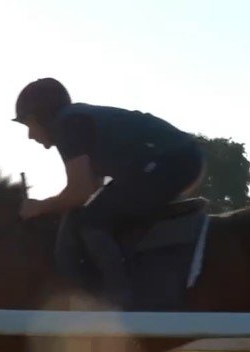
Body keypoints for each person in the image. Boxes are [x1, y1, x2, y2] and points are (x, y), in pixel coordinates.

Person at [12, 78, 205, 308]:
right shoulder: (73, 122)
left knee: (91, 220)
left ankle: (117, 299)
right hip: (175, 158)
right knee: (86, 215)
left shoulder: (68, 125)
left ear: (43, 116)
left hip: (173, 160)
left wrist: (39, 206)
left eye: (29, 124)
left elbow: (80, 192)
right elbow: (88, 193)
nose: (30, 135)